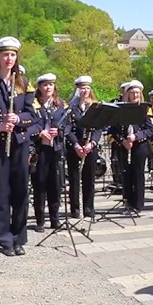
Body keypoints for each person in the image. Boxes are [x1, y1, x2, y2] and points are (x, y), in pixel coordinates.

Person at [0, 38, 39, 256]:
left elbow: (33, 116)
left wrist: (18, 119)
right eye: (5, 55)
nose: (9, 59)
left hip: (20, 145)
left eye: (12, 55)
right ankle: (4, 238)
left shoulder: (24, 84)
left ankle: (19, 236)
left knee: (21, 192)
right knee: (1, 193)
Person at [109, 80, 153, 214]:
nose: (135, 95)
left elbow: (149, 129)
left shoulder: (146, 108)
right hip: (124, 146)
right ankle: (127, 202)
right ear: (127, 94)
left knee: (138, 175)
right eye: (132, 92)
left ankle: (138, 205)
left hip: (140, 146)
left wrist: (136, 136)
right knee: (126, 175)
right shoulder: (120, 108)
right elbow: (114, 130)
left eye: (137, 92)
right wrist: (123, 140)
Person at [30, 73, 65, 230]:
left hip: (55, 150)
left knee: (55, 186)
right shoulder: (33, 105)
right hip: (40, 150)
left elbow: (68, 126)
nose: (48, 87)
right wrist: (39, 133)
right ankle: (39, 220)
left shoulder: (60, 105)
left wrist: (59, 132)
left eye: (51, 85)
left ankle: (55, 218)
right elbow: (28, 125)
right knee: (39, 186)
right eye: (45, 85)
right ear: (39, 88)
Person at [66, 75, 101, 219]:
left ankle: (88, 208)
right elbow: (68, 128)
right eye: (82, 88)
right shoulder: (71, 107)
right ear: (77, 89)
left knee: (89, 179)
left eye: (87, 88)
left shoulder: (95, 107)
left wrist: (92, 143)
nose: (85, 91)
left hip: (90, 148)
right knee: (74, 179)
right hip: (75, 147)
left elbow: (99, 128)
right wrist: (76, 145)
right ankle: (75, 209)